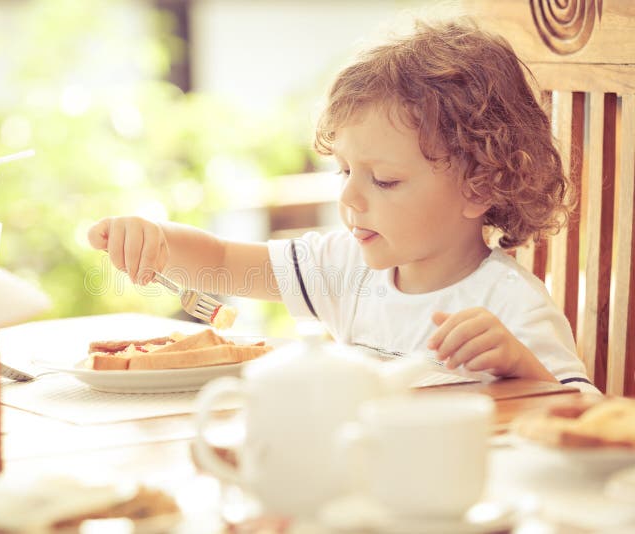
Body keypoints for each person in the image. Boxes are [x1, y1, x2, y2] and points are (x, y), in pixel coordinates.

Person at [88, 20, 597, 393]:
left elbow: (583, 418)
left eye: (385, 180)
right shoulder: (344, 269)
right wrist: (158, 239)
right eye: (345, 171)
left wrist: (521, 366)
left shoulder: (511, 306)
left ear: (481, 185)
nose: (350, 198)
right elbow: (223, 262)